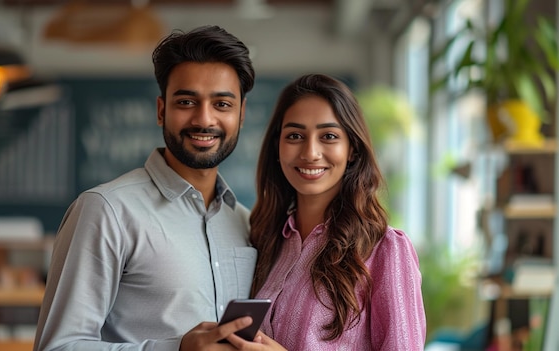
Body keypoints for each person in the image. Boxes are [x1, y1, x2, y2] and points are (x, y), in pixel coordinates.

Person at [34, 25, 260, 350]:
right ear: (161, 110)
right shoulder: (106, 210)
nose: (204, 119)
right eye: (186, 101)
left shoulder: (244, 222)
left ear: (241, 116)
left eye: (222, 104)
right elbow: (56, 347)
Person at [249, 74, 426, 350]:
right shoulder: (267, 241)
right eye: (295, 135)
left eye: (329, 136)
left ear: (352, 149)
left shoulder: (386, 251)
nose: (310, 152)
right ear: (277, 147)